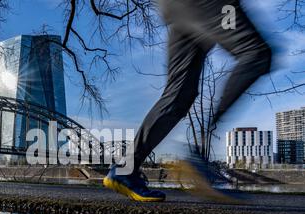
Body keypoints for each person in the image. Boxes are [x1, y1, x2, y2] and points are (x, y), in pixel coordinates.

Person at [104, 0, 272, 202]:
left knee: (179, 94)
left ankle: (125, 169)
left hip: (178, 8)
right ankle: (197, 154)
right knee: (256, 53)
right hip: (210, 5)